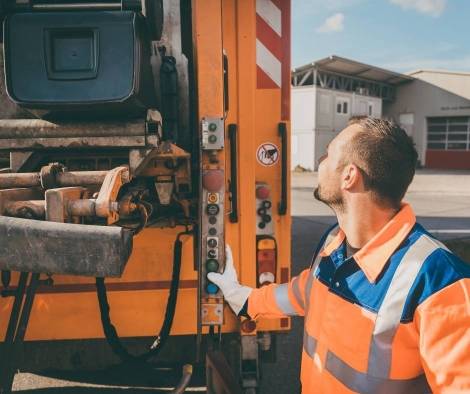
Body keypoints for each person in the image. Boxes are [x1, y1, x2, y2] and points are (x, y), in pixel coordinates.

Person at [208, 117, 470, 393]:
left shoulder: (441, 282)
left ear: (349, 176)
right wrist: (245, 299)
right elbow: (307, 291)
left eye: (328, 153)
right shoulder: (336, 241)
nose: (320, 160)